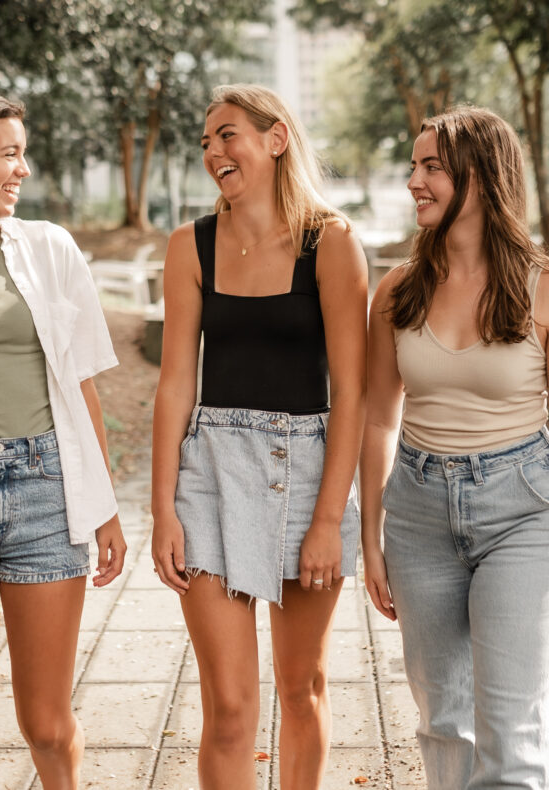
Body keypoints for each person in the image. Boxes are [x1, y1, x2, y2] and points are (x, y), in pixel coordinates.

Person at [151, 83, 367, 790]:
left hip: (307, 475)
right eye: (206, 140)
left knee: (300, 689)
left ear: (276, 140)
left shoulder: (330, 242)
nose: (214, 150)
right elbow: (176, 385)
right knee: (231, 708)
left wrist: (330, 521)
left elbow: (353, 393)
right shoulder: (191, 246)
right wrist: (162, 511)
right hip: (211, 473)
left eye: (228, 134)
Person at [360, 105, 549, 790]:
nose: (415, 180)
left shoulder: (540, 287)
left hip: (523, 512)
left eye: (432, 166)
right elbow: (378, 418)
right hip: (416, 514)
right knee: (444, 718)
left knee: (509, 725)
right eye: (414, 166)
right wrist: (371, 535)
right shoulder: (398, 292)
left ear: (482, 174)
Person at [0, 90, 126, 789]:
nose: (23, 170)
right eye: (9, 153)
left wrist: (104, 506)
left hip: (43, 486)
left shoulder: (48, 247)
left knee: (45, 720)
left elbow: (82, 382)